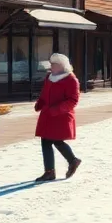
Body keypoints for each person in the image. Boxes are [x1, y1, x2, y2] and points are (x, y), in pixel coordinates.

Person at [34, 53, 82, 181]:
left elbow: (73, 100)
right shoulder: (49, 77)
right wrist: (40, 103)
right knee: (46, 140)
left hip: (61, 116)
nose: (51, 67)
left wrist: (56, 109)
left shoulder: (71, 79)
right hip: (48, 114)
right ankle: (51, 171)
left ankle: (71, 161)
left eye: (53, 64)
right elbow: (45, 93)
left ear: (61, 66)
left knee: (56, 140)